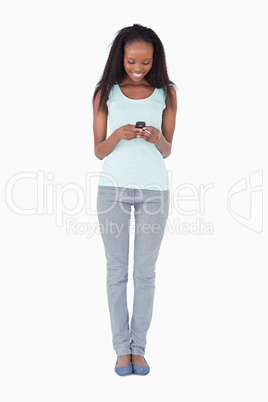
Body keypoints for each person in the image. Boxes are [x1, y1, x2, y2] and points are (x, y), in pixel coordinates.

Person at [92, 23, 177, 376]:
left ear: (155, 60)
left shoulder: (166, 93)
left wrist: (156, 137)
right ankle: (119, 350)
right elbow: (98, 151)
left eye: (145, 61)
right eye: (131, 61)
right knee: (116, 272)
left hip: (154, 190)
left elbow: (168, 150)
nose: (138, 68)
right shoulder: (105, 92)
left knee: (145, 273)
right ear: (121, 58)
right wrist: (118, 135)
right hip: (113, 189)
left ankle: (138, 349)